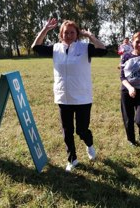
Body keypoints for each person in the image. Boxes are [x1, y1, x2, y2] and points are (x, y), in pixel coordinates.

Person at [31, 18, 107, 172]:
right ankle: (72, 159)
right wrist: (45, 29)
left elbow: (103, 50)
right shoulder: (56, 48)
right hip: (63, 96)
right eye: (66, 32)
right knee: (67, 131)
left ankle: (89, 145)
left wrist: (91, 36)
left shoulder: (85, 48)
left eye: (72, 32)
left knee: (81, 130)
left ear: (77, 34)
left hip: (82, 97)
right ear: (61, 34)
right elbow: (36, 47)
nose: (69, 35)